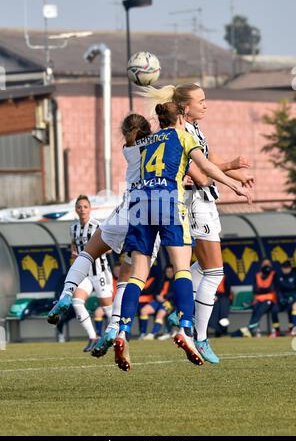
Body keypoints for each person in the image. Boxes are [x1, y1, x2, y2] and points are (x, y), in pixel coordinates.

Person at [114, 102, 251, 371]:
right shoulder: (184, 135)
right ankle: (185, 328)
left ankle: (122, 332)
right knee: (181, 271)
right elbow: (206, 169)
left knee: (138, 274)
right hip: (167, 200)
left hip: (140, 202)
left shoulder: (147, 140)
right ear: (179, 119)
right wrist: (234, 184)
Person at [47, 115, 159, 357]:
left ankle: (66, 294)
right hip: (151, 217)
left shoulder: (128, 149)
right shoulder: (162, 145)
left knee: (88, 251)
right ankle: (115, 328)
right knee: (131, 279)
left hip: (127, 210)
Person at [68, 195, 113, 352]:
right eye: (79, 207)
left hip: (100, 272)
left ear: (90, 209)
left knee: (107, 308)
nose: (82, 210)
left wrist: (95, 252)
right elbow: (73, 246)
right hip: (84, 273)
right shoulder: (73, 228)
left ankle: (119, 335)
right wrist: (75, 253)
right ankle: (93, 337)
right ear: (76, 209)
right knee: (77, 302)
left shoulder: (97, 226)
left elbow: (110, 247)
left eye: (85, 207)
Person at [231, 259, 277, 337]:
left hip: (270, 299)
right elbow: (255, 289)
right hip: (258, 299)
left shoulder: (274, 274)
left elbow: (272, 288)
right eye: (264, 264)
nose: (266, 266)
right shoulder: (257, 275)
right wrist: (264, 290)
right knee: (256, 309)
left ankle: (248, 329)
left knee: (259, 311)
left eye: (268, 264)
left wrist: (262, 290)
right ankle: (252, 331)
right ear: (261, 265)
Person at [270, 260, 296, 337]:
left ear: (290, 268)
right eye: (284, 268)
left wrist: (293, 297)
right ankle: (277, 331)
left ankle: (291, 329)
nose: (285, 270)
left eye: (287, 268)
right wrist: (281, 298)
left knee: (291, 309)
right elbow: (277, 289)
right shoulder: (278, 275)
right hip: (282, 298)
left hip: (293, 298)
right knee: (274, 310)